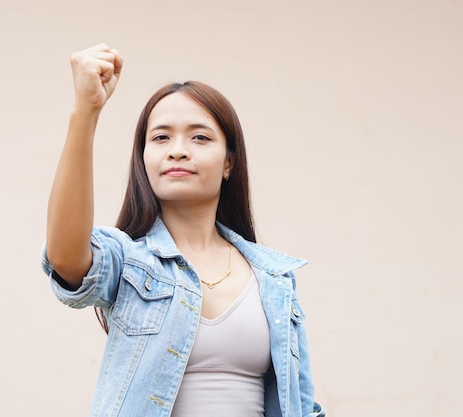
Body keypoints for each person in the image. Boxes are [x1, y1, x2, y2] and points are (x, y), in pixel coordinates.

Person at [42, 43, 325, 417]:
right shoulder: (130, 262)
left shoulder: (275, 278)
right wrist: (86, 111)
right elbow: (65, 256)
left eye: (200, 137)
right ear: (144, 159)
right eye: (160, 138)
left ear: (229, 163)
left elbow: (300, 406)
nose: (177, 150)